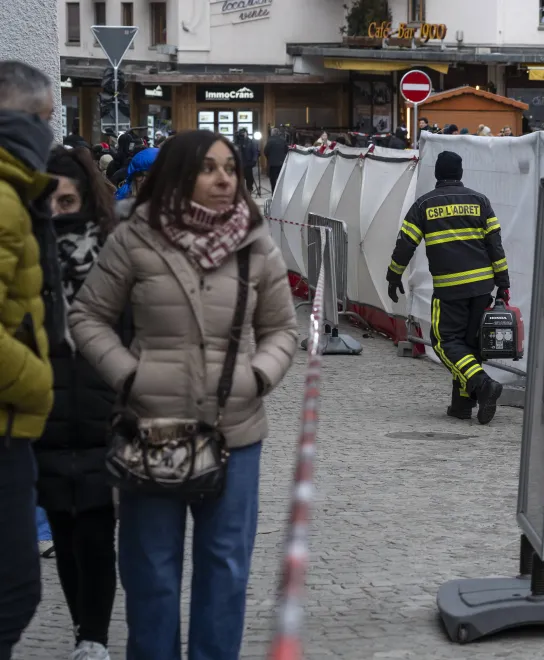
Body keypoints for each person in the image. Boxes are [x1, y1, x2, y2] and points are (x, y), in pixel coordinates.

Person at [68, 129, 299, 659]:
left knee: (225, 569)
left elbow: (283, 330)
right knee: (151, 572)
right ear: (177, 175)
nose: (224, 178)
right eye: (209, 168)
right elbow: (88, 316)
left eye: (230, 169)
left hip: (235, 430)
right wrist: (131, 376)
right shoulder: (135, 237)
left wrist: (257, 377)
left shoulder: (255, 242)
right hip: (152, 427)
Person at [36, 145, 122, 660]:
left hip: (101, 409)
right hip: (43, 410)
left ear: (87, 199)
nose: (57, 214)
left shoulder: (114, 252)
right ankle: (79, 628)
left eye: (67, 202)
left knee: (94, 531)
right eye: (49, 203)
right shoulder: (24, 254)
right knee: (64, 535)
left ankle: (95, 636)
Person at [0, 59, 60, 660]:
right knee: (14, 590)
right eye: (44, 120)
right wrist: (41, 382)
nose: (50, 134)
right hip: (6, 419)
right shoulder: (4, 198)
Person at [385, 151, 508, 424]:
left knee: (444, 342)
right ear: (460, 173)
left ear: (438, 174)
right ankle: (461, 405)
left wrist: (394, 276)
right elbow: (495, 246)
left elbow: (406, 244)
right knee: (467, 345)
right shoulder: (480, 202)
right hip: (481, 287)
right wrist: (503, 283)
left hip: (450, 288)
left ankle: (482, 383)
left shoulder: (424, 204)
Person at [234, 128, 259, 194]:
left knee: (249, 179)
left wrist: (254, 161)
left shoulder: (251, 141)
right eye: (241, 133)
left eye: (243, 133)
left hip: (248, 163)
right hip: (239, 163)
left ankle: (249, 191)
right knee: (239, 179)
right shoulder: (237, 142)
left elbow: (255, 152)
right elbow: (234, 150)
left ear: (246, 133)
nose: (242, 134)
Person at [264, 127, 288, 192]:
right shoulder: (283, 140)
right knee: (281, 180)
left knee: (273, 180)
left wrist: (269, 158)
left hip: (272, 164)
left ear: (272, 133)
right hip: (281, 164)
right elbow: (286, 150)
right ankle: (281, 193)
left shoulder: (270, 141)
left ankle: (274, 193)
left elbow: (265, 151)